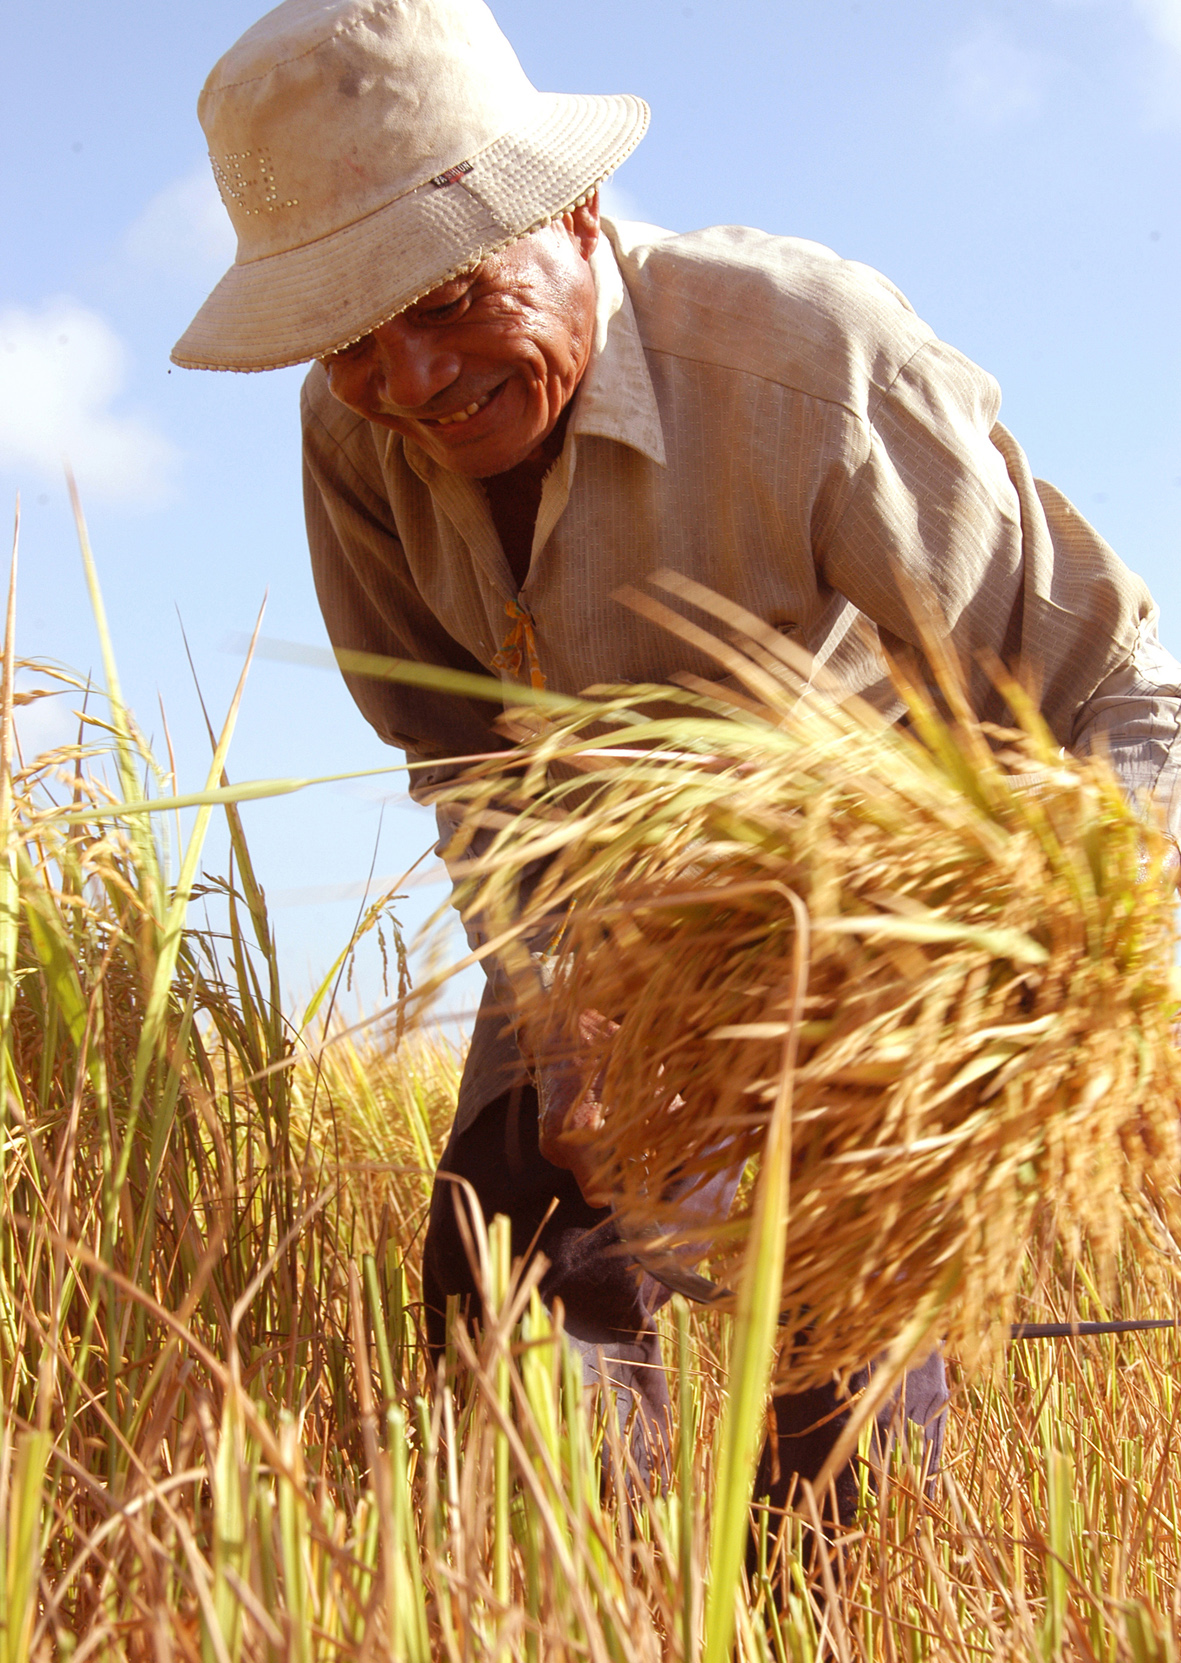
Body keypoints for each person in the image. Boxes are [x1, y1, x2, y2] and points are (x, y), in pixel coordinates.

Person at [175, 0, 1181, 1525]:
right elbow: (460, 753)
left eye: (447, 300)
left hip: (900, 850)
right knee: (506, 1237)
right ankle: (593, 1581)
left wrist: (1032, 992)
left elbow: (1068, 687)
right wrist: (562, 991)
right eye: (356, 336)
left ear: (572, 212)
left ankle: (830, 1584)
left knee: (839, 1293)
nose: (413, 377)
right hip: (601, 882)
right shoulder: (353, 431)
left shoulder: (809, 361)